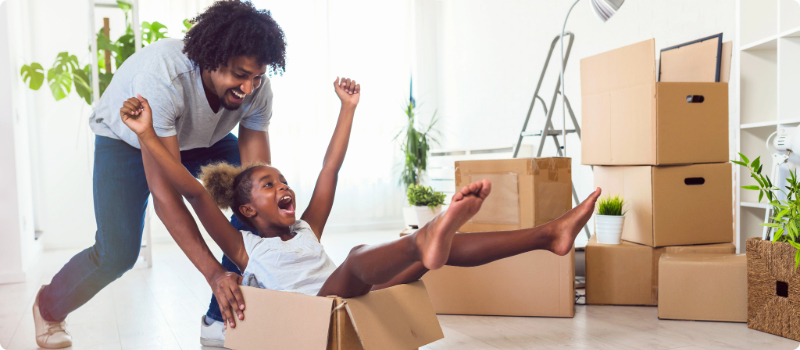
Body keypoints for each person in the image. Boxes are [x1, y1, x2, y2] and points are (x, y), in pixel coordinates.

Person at [119, 76, 602, 345]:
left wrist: (347, 108)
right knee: (355, 257)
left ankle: (549, 235)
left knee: (438, 251)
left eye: (284, 181)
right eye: (270, 186)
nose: (284, 187)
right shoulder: (243, 246)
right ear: (246, 208)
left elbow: (330, 167)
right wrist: (146, 136)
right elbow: (195, 192)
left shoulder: (306, 226)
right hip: (318, 314)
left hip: (351, 300)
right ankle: (424, 238)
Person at [31, 1, 290, 348]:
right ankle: (48, 307)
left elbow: (261, 185)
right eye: (239, 75)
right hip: (129, 139)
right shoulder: (162, 78)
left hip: (201, 139)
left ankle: (219, 319)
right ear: (211, 59)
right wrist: (213, 273)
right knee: (118, 253)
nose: (248, 88)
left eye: (257, 77)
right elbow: (166, 195)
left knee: (257, 206)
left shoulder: (258, 90)